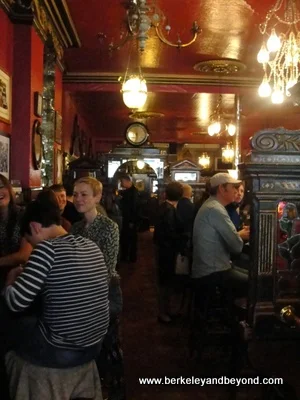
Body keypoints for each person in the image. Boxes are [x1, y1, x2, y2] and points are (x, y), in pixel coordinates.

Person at [2, 193, 109, 372]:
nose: (32, 246)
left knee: (10, 325)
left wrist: (10, 281)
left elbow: (16, 302)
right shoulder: (91, 245)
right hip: (96, 345)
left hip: (62, 351)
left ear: (35, 227)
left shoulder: (46, 249)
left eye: (30, 241)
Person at [71, 177, 124, 400]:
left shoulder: (109, 227)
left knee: (102, 343)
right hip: (82, 293)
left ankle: (106, 383)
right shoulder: (75, 227)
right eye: (75, 194)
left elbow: (107, 268)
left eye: (84, 194)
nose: (78, 199)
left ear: (97, 197)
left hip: (105, 292)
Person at [192, 173, 250, 298]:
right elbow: (237, 246)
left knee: (251, 273)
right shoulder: (216, 209)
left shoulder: (212, 205)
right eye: (233, 187)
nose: (236, 191)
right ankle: (238, 316)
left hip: (211, 268)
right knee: (256, 282)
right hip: (211, 272)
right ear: (222, 189)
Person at [153, 181, 184, 323]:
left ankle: (165, 311)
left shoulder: (164, 207)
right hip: (168, 251)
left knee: (165, 282)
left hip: (163, 249)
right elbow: (170, 233)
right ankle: (164, 312)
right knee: (166, 283)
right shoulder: (170, 210)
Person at [0, 174, 32, 286]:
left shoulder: (23, 215)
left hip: (21, 277)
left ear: (9, 189)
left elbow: (24, 255)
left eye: (1, 186)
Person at [119, 175, 140, 263]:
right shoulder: (129, 191)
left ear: (127, 181)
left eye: (122, 181)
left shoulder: (133, 192)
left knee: (130, 239)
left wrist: (132, 221)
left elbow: (134, 207)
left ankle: (130, 257)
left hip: (130, 219)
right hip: (128, 219)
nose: (121, 183)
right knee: (127, 238)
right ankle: (128, 257)